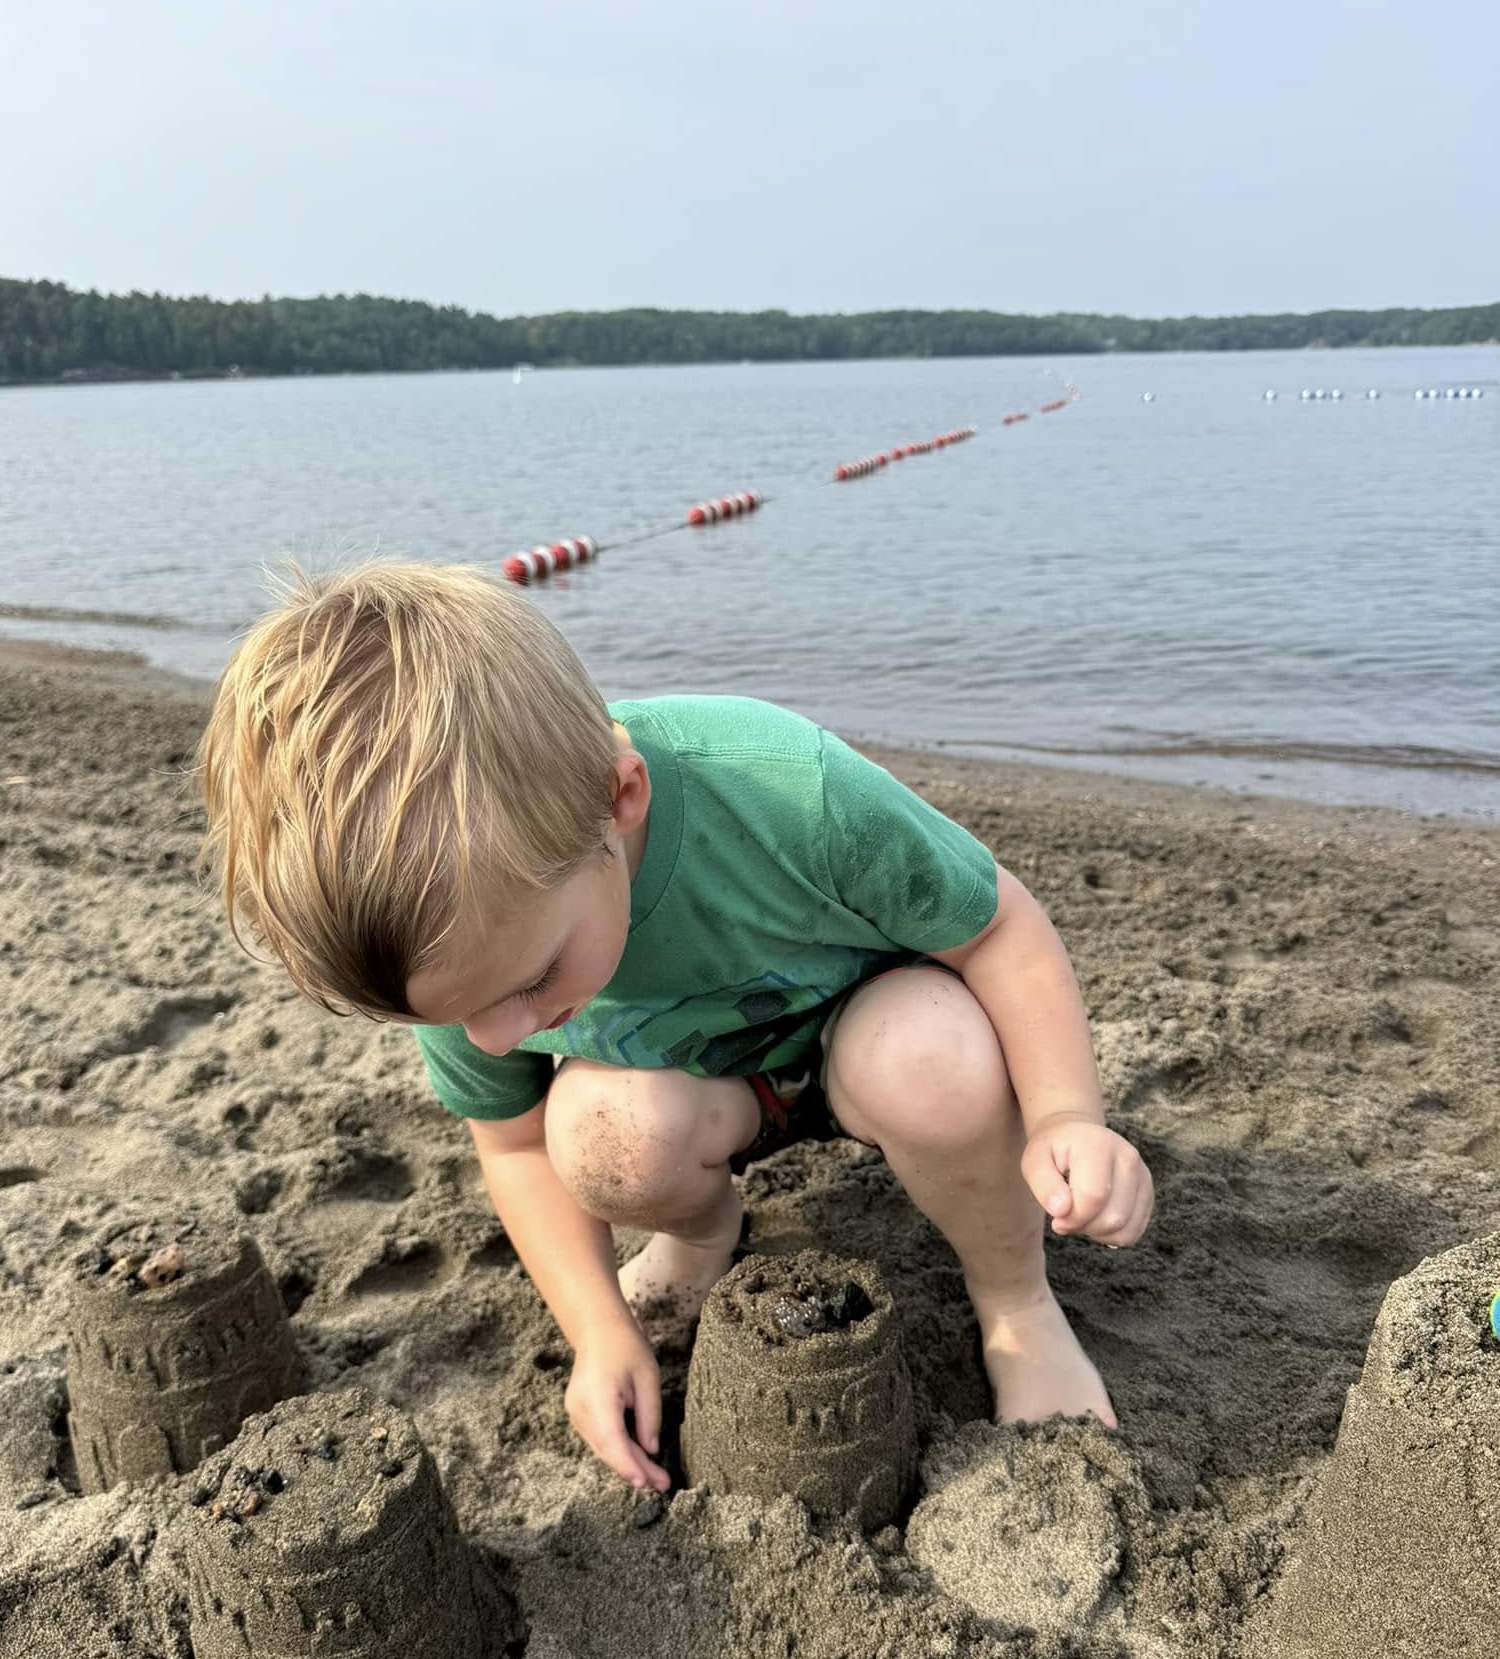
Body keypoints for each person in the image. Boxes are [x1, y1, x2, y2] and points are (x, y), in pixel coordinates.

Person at [199, 561, 1153, 1494]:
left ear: (619, 802)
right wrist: (596, 1328)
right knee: (597, 1135)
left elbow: (1001, 929)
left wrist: (1070, 1115)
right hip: (709, 1094)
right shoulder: (462, 949)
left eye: (533, 982)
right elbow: (516, 1143)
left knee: (925, 1056)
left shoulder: (786, 789)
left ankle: (1015, 1301)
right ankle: (702, 1237)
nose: (495, 1038)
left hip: (874, 1039)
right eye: (453, 1017)